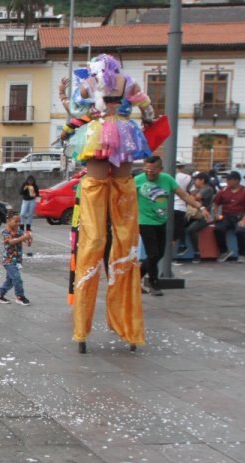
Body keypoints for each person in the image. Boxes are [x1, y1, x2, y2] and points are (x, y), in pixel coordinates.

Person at [62, 54, 155, 354]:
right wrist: (149, 117)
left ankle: (83, 326)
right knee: (125, 214)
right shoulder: (128, 82)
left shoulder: (90, 82)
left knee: (94, 231)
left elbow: (78, 108)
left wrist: (71, 95)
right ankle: (127, 322)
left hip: (99, 137)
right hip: (127, 138)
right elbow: (146, 106)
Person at [134, 156, 199, 296]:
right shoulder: (138, 180)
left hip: (161, 221)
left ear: (160, 169)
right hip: (144, 222)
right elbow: (126, 199)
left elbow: (184, 195)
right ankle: (154, 283)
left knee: (159, 253)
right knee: (152, 253)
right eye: (147, 170)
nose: (149, 173)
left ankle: (136, 278)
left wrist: (200, 207)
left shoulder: (167, 179)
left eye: (153, 170)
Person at [212, 171, 245, 263]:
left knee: (240, 231)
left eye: (229, 180)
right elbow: (215, 203)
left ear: (236, 181)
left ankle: (242, 254)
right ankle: (224, 251)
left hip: (240, 216)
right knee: (218, 229)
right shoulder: (223, 191)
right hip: (226, 216)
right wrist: (215, 214)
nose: (227, 182)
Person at [0, 212, 32, 306]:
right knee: (17, 279)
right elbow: (10, 242)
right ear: (9, 221)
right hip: (8, 261)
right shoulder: (5, 232)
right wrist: (23, 237)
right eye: (16, 221)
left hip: (17, 260)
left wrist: (29, 239)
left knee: (10, 281)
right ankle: (20, 297)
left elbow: (26, 242)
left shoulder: (19, 231)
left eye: (19, 222)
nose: (18, 224)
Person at [183, 172, 215, 263]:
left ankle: (197, 252)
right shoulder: (198, 189)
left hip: (204, 217)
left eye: (196, 180)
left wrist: (188, 194)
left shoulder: (207, 189)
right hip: (194, 214)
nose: (194, 182)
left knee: (191, 230)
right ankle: (182, 246)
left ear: (202, 180)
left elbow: (196, 198)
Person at [19, 175, 39, 239]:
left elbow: (37, 193)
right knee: (22, 214)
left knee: (30, 214)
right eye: (29, 181)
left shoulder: (35, 186)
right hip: (25, 201)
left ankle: (28, 227)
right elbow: (20, 192)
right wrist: (25, 189)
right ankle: (21, 226)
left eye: (32, 182)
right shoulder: (24, 184)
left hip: (32, 201)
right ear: (27, 181)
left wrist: (35, 195)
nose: (30, 183)